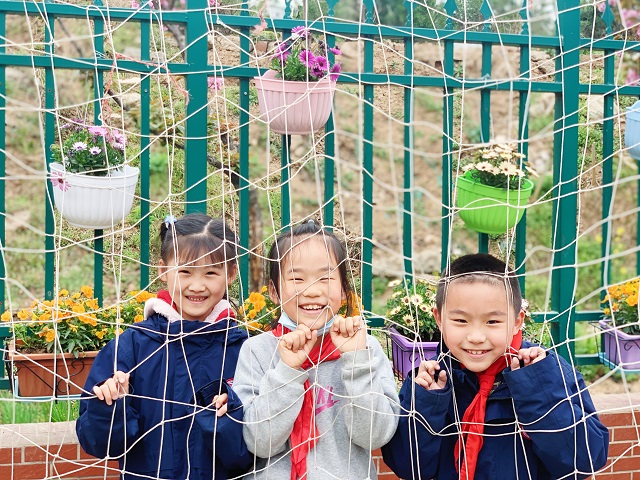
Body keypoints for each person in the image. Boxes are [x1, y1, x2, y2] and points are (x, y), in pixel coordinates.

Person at [381, 253, 609, 480]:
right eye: (460, 320)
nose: (476, 337)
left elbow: (586, 461)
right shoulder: (431, 382)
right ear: (439, 319)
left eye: (492, 321)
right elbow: (408, 468)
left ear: (517, 321)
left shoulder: (547, 372)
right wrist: (427, 404)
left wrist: (537, 392)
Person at [76, 213, 251, 480]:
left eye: (210, 273)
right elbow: (99, 445)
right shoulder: (131, 346)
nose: (197, 286)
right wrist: (110, 405)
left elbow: (248, 455)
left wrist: (229, 416)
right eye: (185, 272)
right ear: (162, 270)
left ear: (231, 274)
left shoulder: (244, 349)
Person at [233, 220, 400, 480]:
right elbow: (259, 443)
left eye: (325, 278)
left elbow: (374, 436)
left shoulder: (365, 348)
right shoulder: (257, 351)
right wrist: (287, 371)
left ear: (344, 289)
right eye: (297, 278)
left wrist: (356, 362)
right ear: (274, 291)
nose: (312, 291)